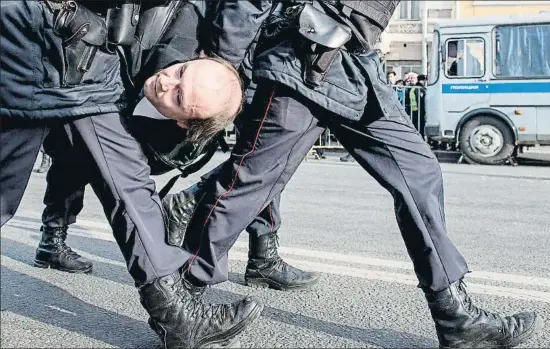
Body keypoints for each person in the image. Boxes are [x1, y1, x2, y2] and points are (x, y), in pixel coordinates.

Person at [166, 1, 542, 348]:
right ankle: (182, 303)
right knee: (250, 182)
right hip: (297, 61)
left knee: (419, 172)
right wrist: (225, 67)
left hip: (354, 68)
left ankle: (456, 317)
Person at [1, 1, 264, 347]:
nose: (166, 81)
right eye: (180, 73)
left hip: (66, 40)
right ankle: (176, 314)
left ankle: (175, 313)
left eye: (180, 95)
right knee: (121, 173)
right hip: (50, 31)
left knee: (119, 172)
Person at [35, 0, 320, 292]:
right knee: (89, 138)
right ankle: (55, 234)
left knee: (265, 155)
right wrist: (221, 61)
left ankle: (260, 250)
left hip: (244, 58)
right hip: (203, 46)